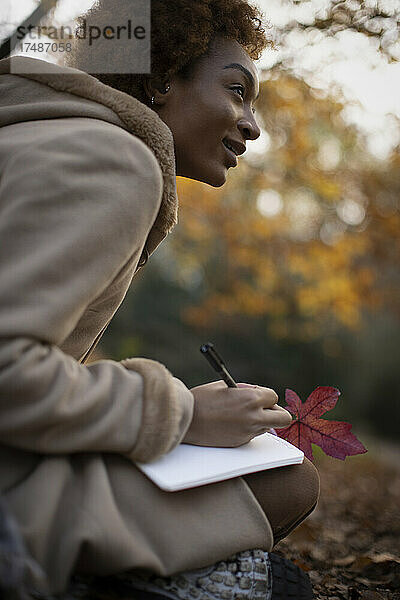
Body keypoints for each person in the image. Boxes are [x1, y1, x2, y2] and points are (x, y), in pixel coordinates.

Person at [0, 0, 320, 598]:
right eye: (237, 90)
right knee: (287, 481)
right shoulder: (114, 159)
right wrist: (184, 414)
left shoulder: (41, 133)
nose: (253, 125)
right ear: (159, 79)